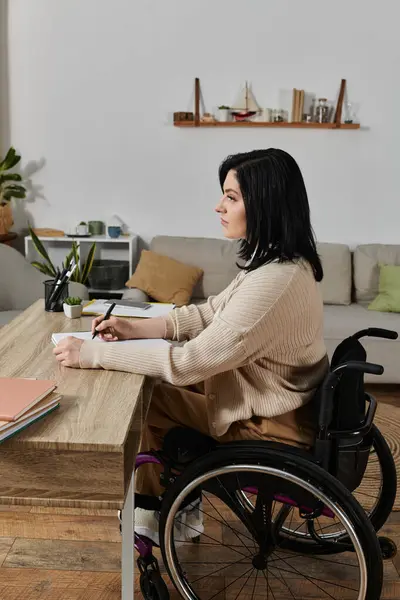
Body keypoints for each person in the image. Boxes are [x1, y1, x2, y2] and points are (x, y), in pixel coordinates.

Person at [53, 148, 328, 544]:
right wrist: (136, 328)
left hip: (269, 424)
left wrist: (94, 354)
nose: (219, 206)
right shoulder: (278, 264)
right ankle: (179, 505)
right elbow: (209, 314)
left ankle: (151, 513)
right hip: (273, 400)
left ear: (265, 204)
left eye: (231, 197)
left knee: (153, 396)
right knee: (163, 385)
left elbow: (188, 363)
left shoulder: (274, 282)